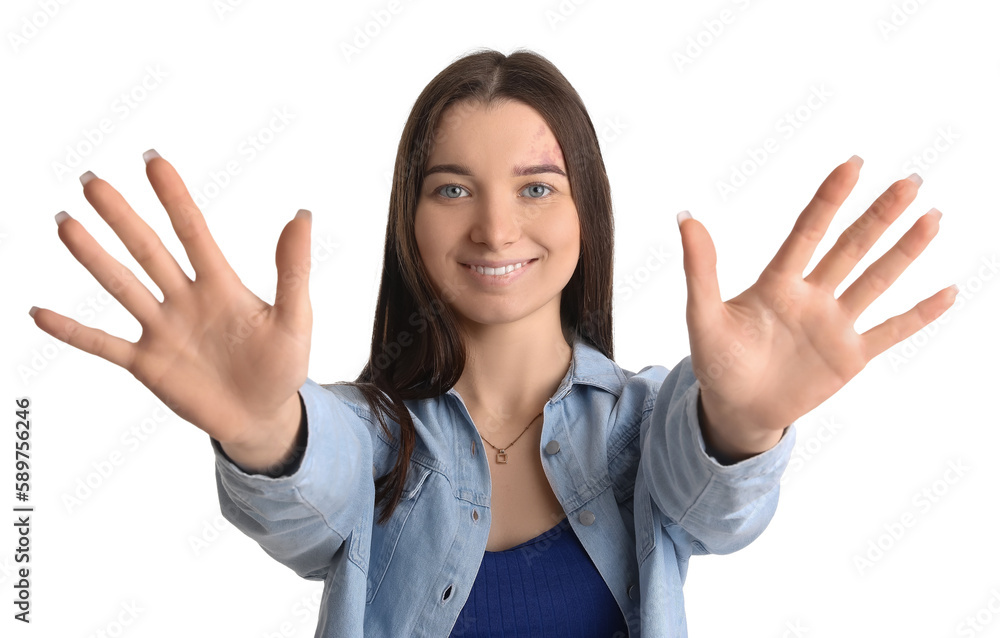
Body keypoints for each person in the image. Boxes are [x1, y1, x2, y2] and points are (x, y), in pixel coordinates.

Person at [29, 48, 956, 637]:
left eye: (538, 187)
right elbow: (311, 491)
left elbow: (711, 503)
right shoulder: (369, 435)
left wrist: (743, 428)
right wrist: (266, 432)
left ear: (588, 210)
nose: (496, 228)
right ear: (411, 220)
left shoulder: (650, 421)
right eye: (453, 188)